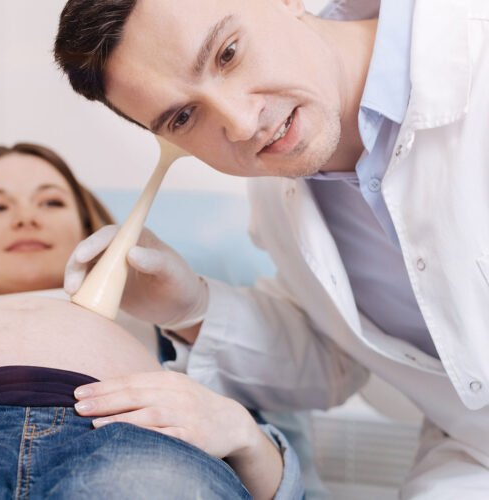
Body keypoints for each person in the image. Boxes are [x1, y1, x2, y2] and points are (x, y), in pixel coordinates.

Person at [54, 0, 489, 497]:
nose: (242, 124)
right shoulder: (278, 194)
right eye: (185, 117)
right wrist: (190, 308)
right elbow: (338, 359)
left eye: (228, 53)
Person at [0, 143, 303, 499]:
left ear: (87, 232)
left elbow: (280, 488)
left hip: (135, 446)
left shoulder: (179, 327)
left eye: (51, 202)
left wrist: (246, 435)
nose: (25, 218)